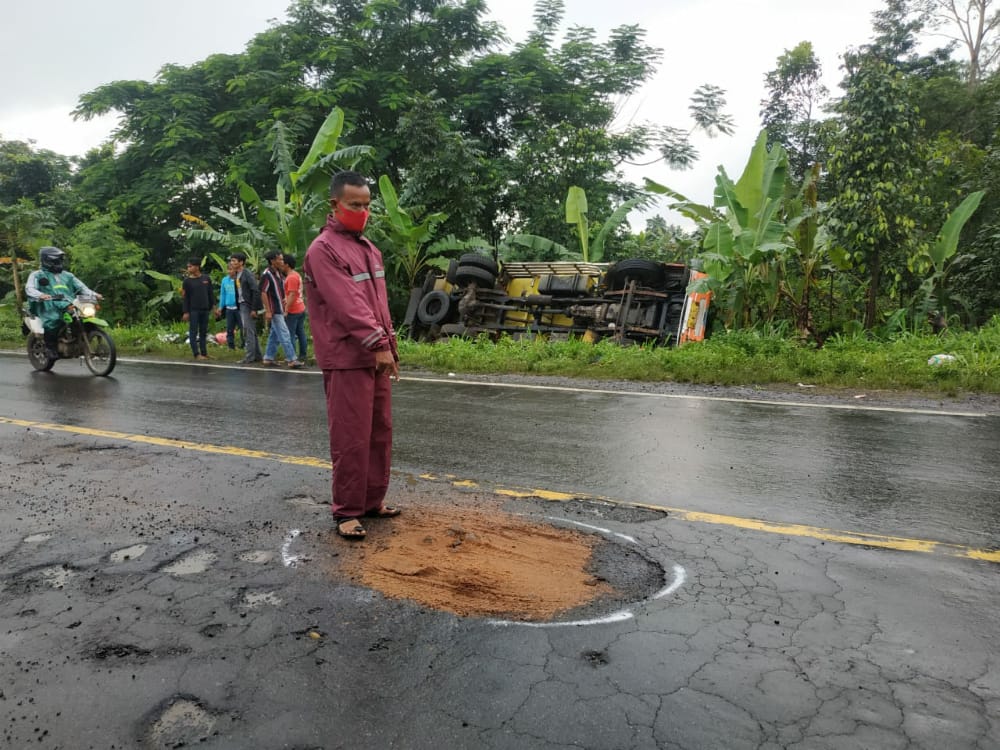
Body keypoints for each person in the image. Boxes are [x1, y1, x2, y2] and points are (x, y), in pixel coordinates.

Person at [304, 171, 401, 540]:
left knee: (379, 431)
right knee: (351, 436)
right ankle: (347, 511)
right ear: (335, 204)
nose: (362, 212)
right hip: (347, 356)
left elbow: (379, 304)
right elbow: (349, 306)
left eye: (366, 205)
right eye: (354, 205)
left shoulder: (368, 248)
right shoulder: (323, 249)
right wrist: (378, 344)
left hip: (375, 354)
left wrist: (389, 347)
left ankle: (372, 501)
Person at [25, 246, 101, 359]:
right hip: (47, 305)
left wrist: (94, 295)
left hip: (67, 302)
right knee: (53, 319)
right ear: (47, 261)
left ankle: (81, 341)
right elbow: (29, 288)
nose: (59, 262)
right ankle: (50, 348)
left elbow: (82, 287)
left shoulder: (68, 275)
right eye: (56, 260)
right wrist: (41, 295)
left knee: (84, 316)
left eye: (60, 260)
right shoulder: (37, 275)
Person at [259, 250, 302, 368]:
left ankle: (268, 357)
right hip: (275, 309)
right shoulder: (267, 274)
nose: (282, 262)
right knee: (284, 333)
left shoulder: (278, 273)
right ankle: (292, 359)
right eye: (280, 259)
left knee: (275, 334)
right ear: (273, 261)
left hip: (280, 308)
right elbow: (263, 292)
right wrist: (267, 310)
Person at [229, 252, 262, 364]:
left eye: (234, 261)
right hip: (242, 304)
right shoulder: (237, 274)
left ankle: (249, 356)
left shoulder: (247, 274)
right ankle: (257, 355)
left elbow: (255, 290)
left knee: (248, 331)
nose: (232, 263)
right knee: (251, 330)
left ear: (241, 262)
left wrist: (254, 308)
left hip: (247, 305)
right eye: (231, 261)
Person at [181, 258, 215, 360]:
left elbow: (210, 294)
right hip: (193, 310)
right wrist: (186, 312)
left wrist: (214, 307)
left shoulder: (206, 278)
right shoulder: (187, 282)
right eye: (188, 266)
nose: (188, 268)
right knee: (193, 332)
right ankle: (196, 353)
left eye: (190, 266)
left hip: (205, 309)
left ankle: (204, 353)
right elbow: (185, 298)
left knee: (203, 332)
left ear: (197, 267)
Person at [282, 253, 308, 363]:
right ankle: (303, 354)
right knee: (300, 332)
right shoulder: (296, 274)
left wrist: (286, 309)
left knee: (290, 333)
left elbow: (292, 294)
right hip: (301, 307)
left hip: (294, 309)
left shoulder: (291, 277)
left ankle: (291, 356)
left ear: (287, 265)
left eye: (282, 262)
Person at [216, 260, 243, 350]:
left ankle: (244, 345)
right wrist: (220, 307)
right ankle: (231, 346)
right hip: (229, 308)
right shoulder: (224, 280)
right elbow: (223, 294)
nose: (230, 271)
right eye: (228, 269)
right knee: (230, 328)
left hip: (239, 308)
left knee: (243, 327)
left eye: (231, 269)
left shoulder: (239, 280)